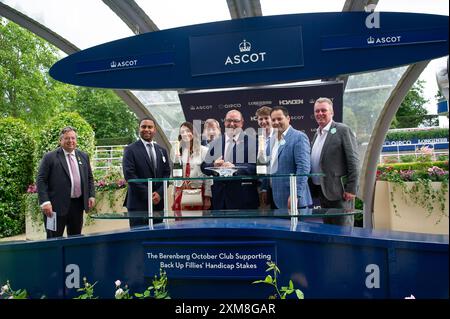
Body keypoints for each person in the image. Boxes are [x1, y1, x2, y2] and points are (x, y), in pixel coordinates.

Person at [36, 126, 95, 238]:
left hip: (77, 207)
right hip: (54, 209)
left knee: (75, 240)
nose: (70, 141)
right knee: (53, 240)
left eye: (73, 138)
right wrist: (45, 202)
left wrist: (91, 195)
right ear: (60, 140)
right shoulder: (49, 157)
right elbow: (41, 180)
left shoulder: (83, 156)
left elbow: (89, 178)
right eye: (67, 138)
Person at [310, 97, 360, 226]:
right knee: (329, 229)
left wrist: (352, 189)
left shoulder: (342, 130)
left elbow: (353, 161)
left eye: (323, 110)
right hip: (322, 191)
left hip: (340, 193)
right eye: (317, 111)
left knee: (343, 229)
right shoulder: (317, 134)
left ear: (332, 113)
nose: (319, 114)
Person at [201, 110, 259, 210]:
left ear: (242, 122)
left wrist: (235, 168)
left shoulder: (252, 142)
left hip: (243, 199)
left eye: (235, 121)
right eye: (229, 120)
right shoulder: (216, 142)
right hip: (219, 199)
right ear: (224, 122)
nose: (231, 124)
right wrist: (214, 164)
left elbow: (256, 167)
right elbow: (204, 166)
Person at [122, 118, 171, 228]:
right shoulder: (130, 149)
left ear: (155, 130)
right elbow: (129, 175)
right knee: (138, 238)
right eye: (143, 126)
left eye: (150, 127)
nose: (146, 129)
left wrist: (159, 193)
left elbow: (166, 174)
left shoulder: (162, 150)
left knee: (158, 239)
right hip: (138, 204)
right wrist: (149, 195)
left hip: (158, 204)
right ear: (139, 129)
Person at [263, 106, 312, 210]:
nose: (276, 122)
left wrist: (295, 195)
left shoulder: (299, 137)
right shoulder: (271, 140)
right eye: (273, 120)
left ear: (288, 118)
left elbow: (303, 168)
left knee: (296, 227)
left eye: (279, 119)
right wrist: (264, 189)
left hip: (293, 200)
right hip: (275, 199)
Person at [171, 122, 212, 213]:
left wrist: (207, 197)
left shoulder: (204, 151)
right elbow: (175, 176)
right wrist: (173, 196)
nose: (185, 134)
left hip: (198, 192)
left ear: (193, 132)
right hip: (180, 193)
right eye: (182, 132)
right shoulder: (178, 153)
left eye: (187, 131)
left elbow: (208, 176)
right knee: (180, 224)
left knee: (197, 223)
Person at [255, 106, 273, 209]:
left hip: (274, 186)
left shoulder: (279, 137)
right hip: (259, 186)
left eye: (266, 118)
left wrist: (265, 188)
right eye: (260, 119)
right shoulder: (257, 140)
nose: (263, 121)